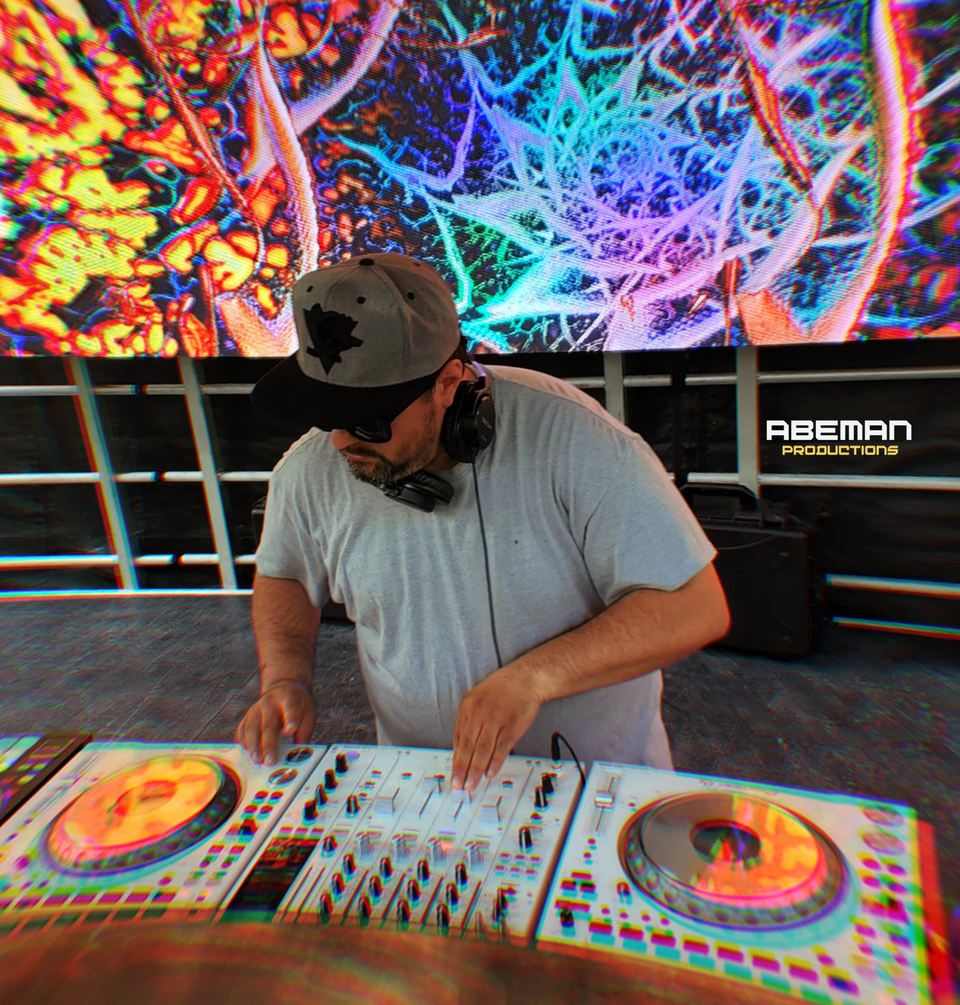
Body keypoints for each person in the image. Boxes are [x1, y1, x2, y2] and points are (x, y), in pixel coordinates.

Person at [237, 253, 729, 791]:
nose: (338, 441)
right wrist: (285, 678)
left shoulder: (578, 439)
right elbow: (285, 574)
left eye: (367, 420)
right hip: (424, 786)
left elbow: (695, 607)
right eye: (326, 413)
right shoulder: (311, 466)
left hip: (593, 785)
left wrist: (535, 677)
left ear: (449, 383)